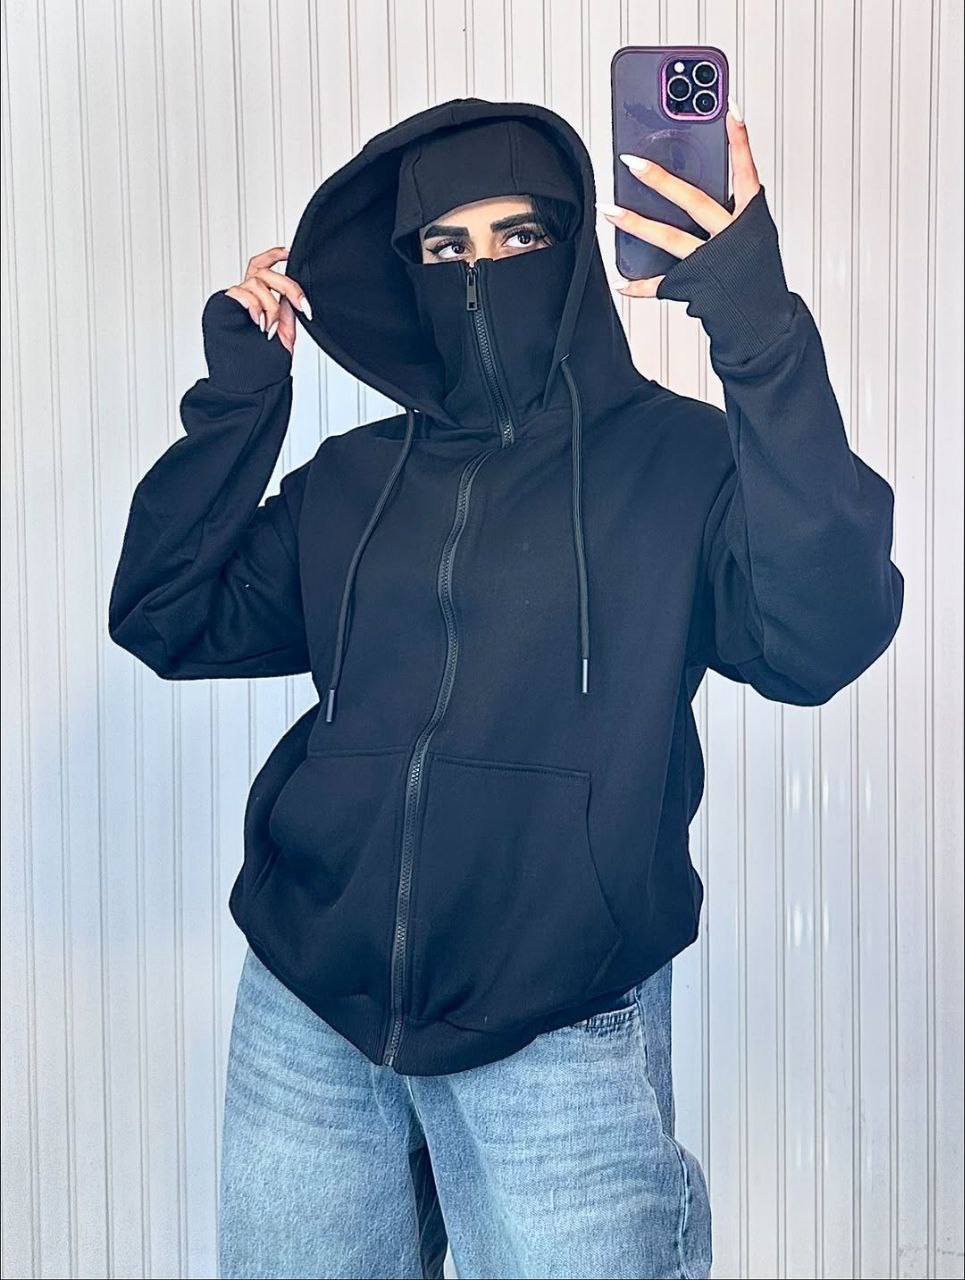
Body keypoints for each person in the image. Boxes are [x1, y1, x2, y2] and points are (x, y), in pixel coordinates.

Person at [107, 98, 903, 1280]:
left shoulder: (679, 462)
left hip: (553, 1021)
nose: (479, 272)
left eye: (516, 236)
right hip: (308, 1009)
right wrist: (242, 400)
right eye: (445, 247)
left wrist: (752, 319)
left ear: (570, 247)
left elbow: (823, 633)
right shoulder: (352, 477)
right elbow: (166, 611)